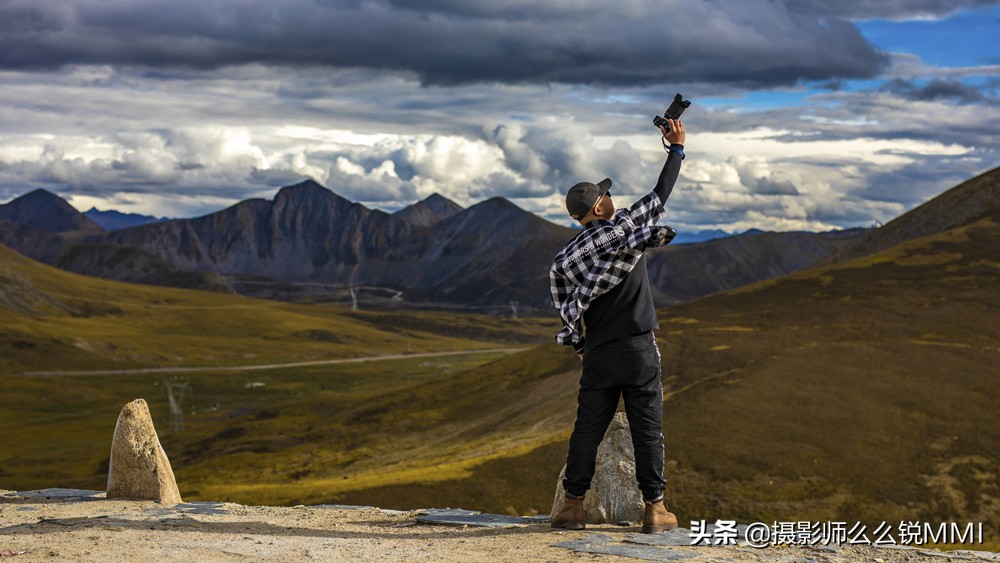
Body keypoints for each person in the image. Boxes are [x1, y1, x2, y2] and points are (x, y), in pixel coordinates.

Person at [548, 118, 686, 533]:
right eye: (605, 195)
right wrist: (675, 148)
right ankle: (655, 510)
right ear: (599, 207)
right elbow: (661, 194)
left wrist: (579, 346)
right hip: (638, 347)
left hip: (599, 351)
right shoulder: (626, 230)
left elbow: (563, 306)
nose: (610, 197)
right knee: (648, 428)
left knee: (587, 428)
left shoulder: (564, 260)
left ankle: (572, 507)